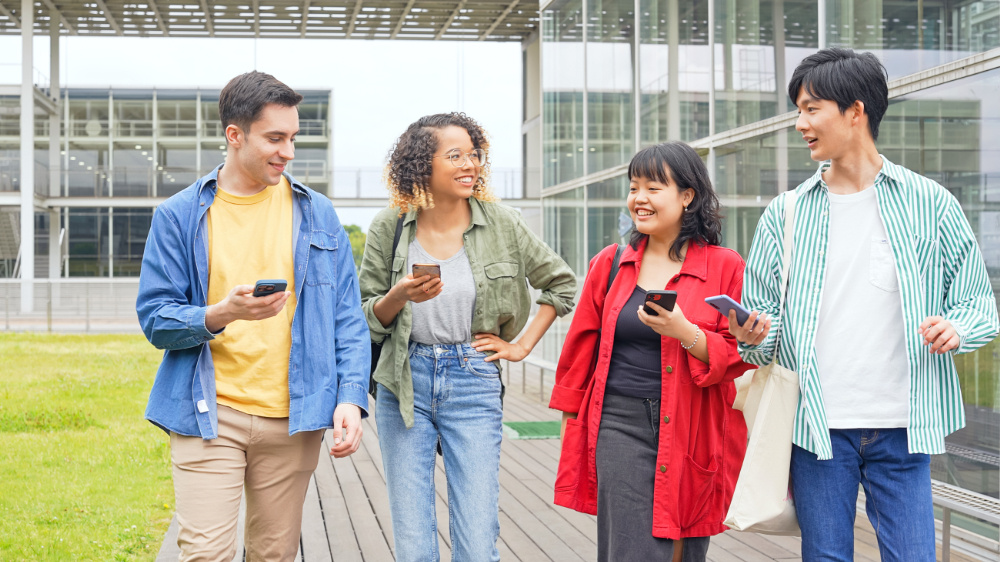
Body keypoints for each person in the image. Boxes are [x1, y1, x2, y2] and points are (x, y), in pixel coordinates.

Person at [731, 48, 1000, 561]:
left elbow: (977, 305)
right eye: (799, 110)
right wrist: (754, 336)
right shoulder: (785, 214)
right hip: (817, 428)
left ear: (855, 111)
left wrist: (956, 328)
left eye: (812, 109)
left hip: (904, 425)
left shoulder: (930, 202)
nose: (800, 123)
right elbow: (761, 323)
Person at [136, 71, 370, 561]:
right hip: (208, 413)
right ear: (234, 135)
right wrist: (222, 313)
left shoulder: (318, 213)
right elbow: (156, 319)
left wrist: (350, 397)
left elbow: (346, 317)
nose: (287, 151)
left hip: (295, 417)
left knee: (273, 555)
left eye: (293, 138)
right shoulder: (178, 215)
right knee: (205, 554)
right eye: (275, 138)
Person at [358, 112, 576, 562]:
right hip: (404, 381)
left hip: (473, 378)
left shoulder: (503, 223)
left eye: (473, 154)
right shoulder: (390, 225)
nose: (469, 164)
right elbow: (365, 316)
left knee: (477, 544)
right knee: (414, 544)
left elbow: (562, 284)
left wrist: (521, 346)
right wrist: (399, 295)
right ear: (422, 165)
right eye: (454, 155)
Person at [550, 142, 751, 561]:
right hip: (619, 423)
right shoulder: (609, 263)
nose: (639, 198)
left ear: (687, 196)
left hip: (695, 425)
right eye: (633, 186)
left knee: (684, 547)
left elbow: (737, 356)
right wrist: (572, 413)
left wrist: (686, 333)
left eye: (653, 188)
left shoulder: (725, 266)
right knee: (632, 550)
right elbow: (581, 341)